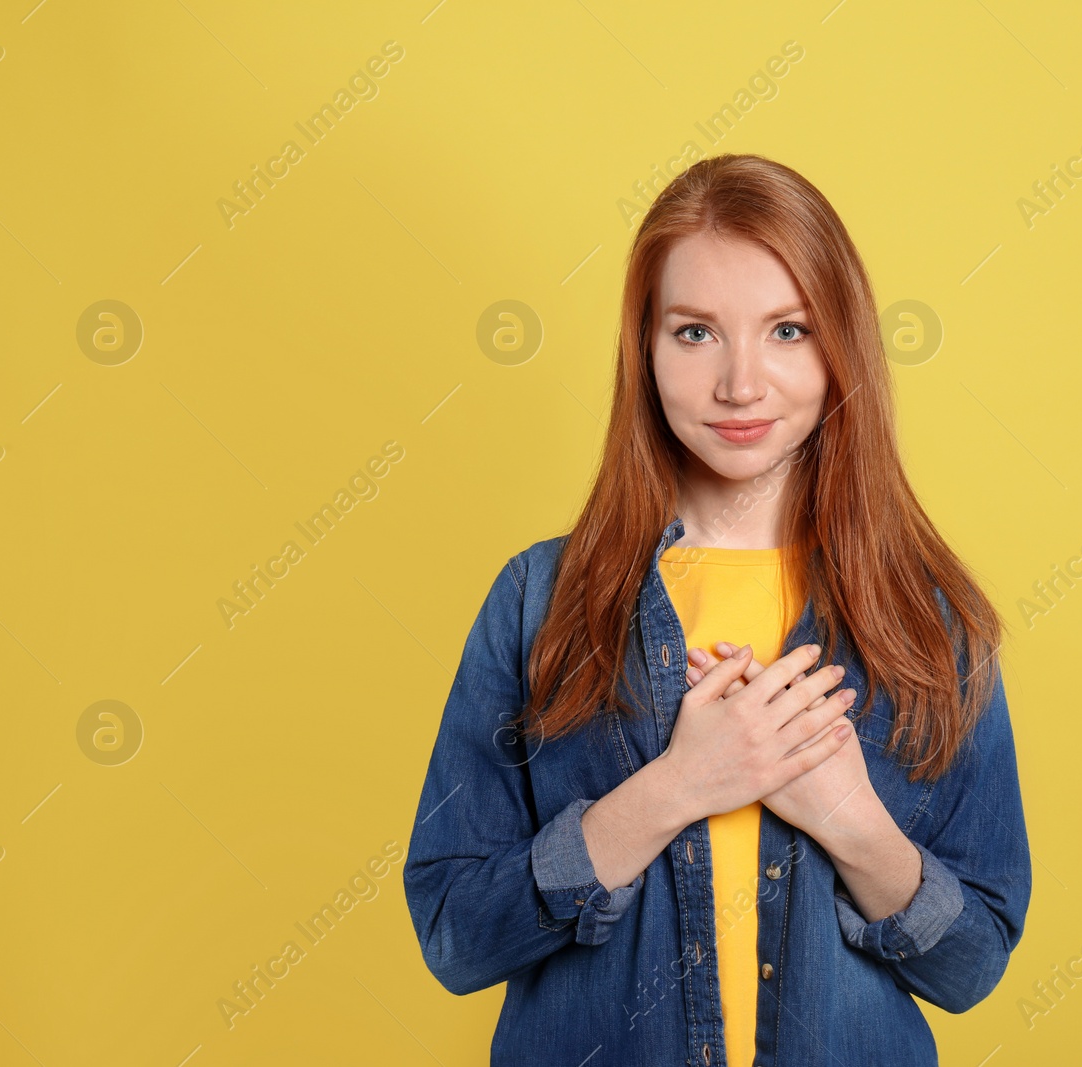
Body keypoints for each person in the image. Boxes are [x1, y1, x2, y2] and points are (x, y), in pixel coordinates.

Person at [403, 153, 1031, 1066]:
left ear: (841, 346)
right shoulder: (539, 601)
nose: (742, 383)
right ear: (645, 348)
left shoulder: (929, 619)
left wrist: (848, 816)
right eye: (696, 333)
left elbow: (971, 965)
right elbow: (455, 935)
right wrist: (675, 788)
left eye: (787, 330)